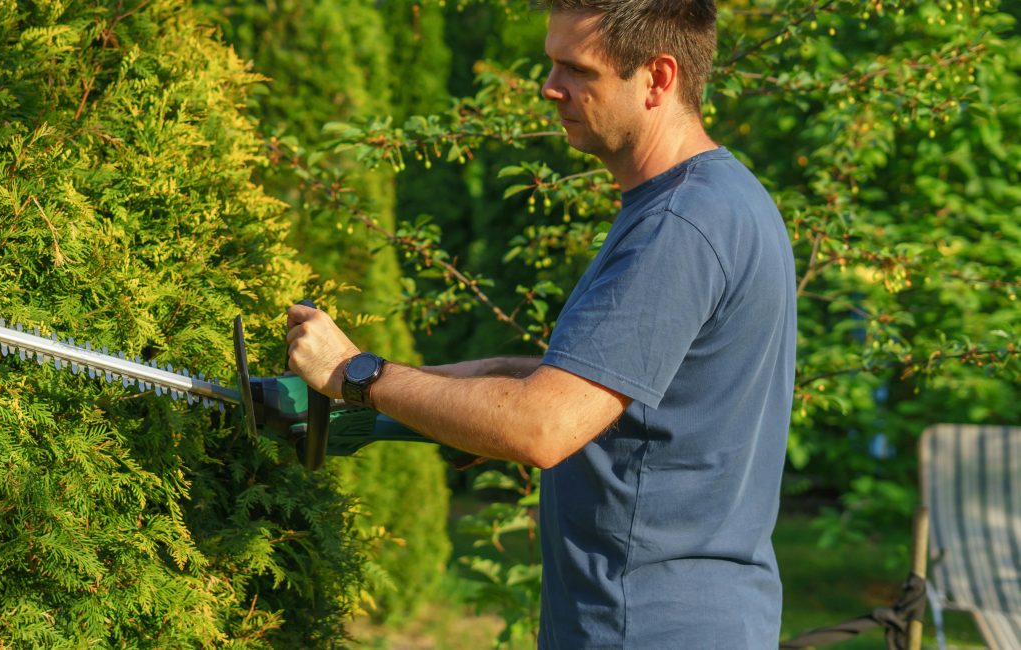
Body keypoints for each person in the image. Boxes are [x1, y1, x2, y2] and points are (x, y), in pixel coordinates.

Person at [286, 0, 796, 647]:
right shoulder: (726, 201)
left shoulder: (678, 227)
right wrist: (383, 397)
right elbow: (582, 387)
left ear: (658, 79)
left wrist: (356, 374)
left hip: (644, 625)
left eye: (577, 68)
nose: (549, 87)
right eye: (551, 62)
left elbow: (543, 423)